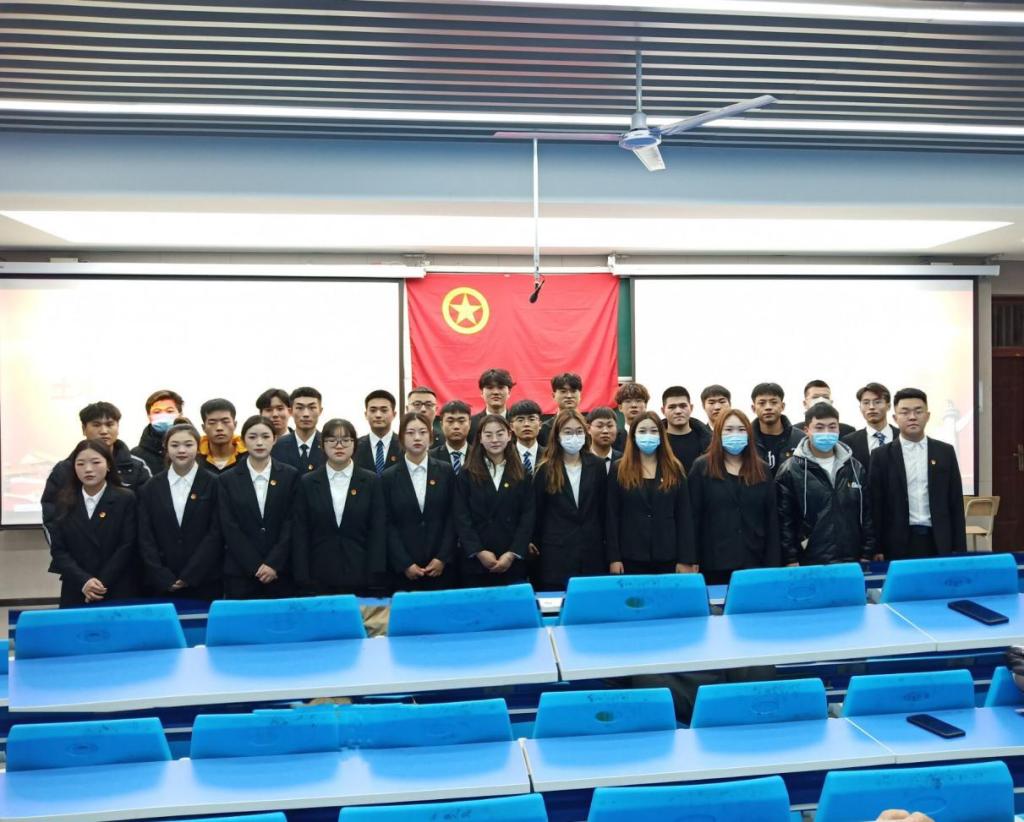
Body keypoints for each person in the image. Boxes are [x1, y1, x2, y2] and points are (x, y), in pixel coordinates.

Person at [292, 417, 387, 595]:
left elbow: (377, 529)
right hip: (318, 573)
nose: (339, 446)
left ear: (354, 444)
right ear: (322, 445)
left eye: (345, 440)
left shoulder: (371, 481)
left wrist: (376, 573)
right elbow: (301, 531)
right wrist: (302, 575)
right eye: (332, 440)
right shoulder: (308, 482)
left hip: (361, 572)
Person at [869, 388, 966, 560]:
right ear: (895, 418)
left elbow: (955, 503)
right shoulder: (881, 456)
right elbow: (876, 505)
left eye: (918, 411)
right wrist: (876, 548)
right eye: (905, 412)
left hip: (938, 540)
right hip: (896, 542)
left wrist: (959, 548)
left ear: (927, 416)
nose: (912, 417)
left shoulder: (945, 452)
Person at [775, 402, 875, 566]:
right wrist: (790, 559)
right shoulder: (790, 470)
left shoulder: (854, 467)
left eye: (832, 427)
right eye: (819, 427)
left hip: (851, 558)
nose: (826, 433)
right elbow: (784, 520)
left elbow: (867, 514)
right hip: (809, 559)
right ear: (807, 430)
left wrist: (867, 552)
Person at [688, 410, 781, 585]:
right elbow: (693, 517)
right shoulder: (702, 467)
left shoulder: (761, 469)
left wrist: (774, 562)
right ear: (718, 434)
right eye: (729, 429)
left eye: (741, 429)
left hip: (755, 560)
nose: (735, 435)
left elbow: (771, 518)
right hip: (714, 562)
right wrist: (690, 558)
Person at [46, 439, 140, 607]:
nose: (88, 469)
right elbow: (59, 551)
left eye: (96, 462)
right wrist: (85, 581)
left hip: (117, 586)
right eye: (80, 464)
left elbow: (127, 545)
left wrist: (101, 583)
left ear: (108, 465)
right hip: (77, 587)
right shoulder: (63, 501)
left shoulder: (125, 498)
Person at [137, 421, 223, 601]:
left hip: (205, 579)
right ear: (166, 448)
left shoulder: (214, 483)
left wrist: (191, 574)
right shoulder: (150, 487)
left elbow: (216, 532)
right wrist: (160, 574)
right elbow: (145, 536)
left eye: (188, 445)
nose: (181, 450)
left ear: (198, 447)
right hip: (162, 581)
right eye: (175, 445)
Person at [218, 415, 299, 598]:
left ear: (275, 439)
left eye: (265, 436)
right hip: (241, 573)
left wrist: (273, 563)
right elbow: (229, 526)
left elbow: (292, 522)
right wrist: (255, 565)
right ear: (243, 441)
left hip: (281, 572)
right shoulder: (227, 479)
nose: (259, 442)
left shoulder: (290, 475)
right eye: (252, 437)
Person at [606, 411, 696, 575]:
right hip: (630, 556)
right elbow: (612, 516)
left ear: (661, 436)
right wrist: (614, 558)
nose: (648, 435)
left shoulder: (674, 468)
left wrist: (686, 558)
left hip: (668, 556)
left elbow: (684, 516)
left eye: (654, 431)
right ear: (633, 436)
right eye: (642, 431)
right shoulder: (619, 469)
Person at [41, 401, 151, 532]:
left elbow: (147, 512)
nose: (104, 431)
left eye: (110, 424)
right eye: (96, 425)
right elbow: (51, 516)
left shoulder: (137, 467)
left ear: (118, 427)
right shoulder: (64, 469)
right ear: (84, 429)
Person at [453, 414, 534, 587]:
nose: (495, 440)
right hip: (476, 562)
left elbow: (528, 516)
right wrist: (479, 551)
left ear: (509, 435)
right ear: (480, 438)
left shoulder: (522, 474)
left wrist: (512, 553)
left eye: (500, 434)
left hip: (512, 560)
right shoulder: (467, 473)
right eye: (488, 435)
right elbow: (461, 516)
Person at [382, 412, 457, 591]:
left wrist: (442, 558)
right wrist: (404, 563)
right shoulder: (388, 477)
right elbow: (387, 523)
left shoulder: (446, 471)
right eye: (410, 432)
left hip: (441, 567)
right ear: (401, 438)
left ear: (430, 437)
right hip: (403, 570)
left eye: (423, 432)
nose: (417, 437)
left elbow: (453, 517)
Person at [532, 410, 606, 589]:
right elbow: (537, 511)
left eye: (579, 431)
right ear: (557, 436)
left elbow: (604, 509)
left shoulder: (597, 465)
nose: (574, 437)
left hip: (591, 552)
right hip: (556, 553)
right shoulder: (545, 468)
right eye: (568, 432)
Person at [750, 382, 804, 476]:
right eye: (762, 403)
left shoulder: (801, 439)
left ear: (782, 406)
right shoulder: (745, 439)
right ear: (753, 408)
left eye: (774, 402)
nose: (768, 407)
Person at [842, 382, 899, 469]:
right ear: (860, 407)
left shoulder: (903, 437)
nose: (871, 407)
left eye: (877, 402)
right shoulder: (848, 442)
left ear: (888, 406)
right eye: (866, 403)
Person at [271, 386, 324, 474]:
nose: (306, 414)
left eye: (312, 408)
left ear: (320, 411)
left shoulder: (329, 445)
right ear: (290, 411)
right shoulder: (276, 446)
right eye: (299, 408)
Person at [132, 389, 184, 476]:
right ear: (149, 416)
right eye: (157, 412)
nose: (163, 416)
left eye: (169, 411)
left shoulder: (195, 450)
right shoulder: (136, 456)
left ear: (180, 414)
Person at [661, 385, 711, 474]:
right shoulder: (655, 442)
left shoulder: (709, 441)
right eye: (672, 407)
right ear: (663, 410)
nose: (678, 411)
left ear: (691, 408)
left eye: (683, 406)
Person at [354, 389, 400, 475]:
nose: (378, 415)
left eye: (384, 410)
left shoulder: (405, 446)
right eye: (373, 410)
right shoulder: (354, 447)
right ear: (366, 414)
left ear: (394, 414)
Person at [198, 398, 246, 474]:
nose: (219, 428)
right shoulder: (194, 457)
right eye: (212, 423)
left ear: (235, 425)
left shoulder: (249, 455)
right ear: (203, 428)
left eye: (225, 421)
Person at [469, 368, 515, 442]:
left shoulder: (517, 422)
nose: (495, 392)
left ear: (509, 392)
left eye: (500, 387)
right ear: (481, 392)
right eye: (490, 388)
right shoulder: (471, 424)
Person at [537, 372, 583, 446]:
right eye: (563, 392)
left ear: (580, 394)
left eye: (573, 391)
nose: (569, 396)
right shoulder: (544, 429)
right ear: (553, 395)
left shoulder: (589, 426)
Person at [430, 399, 471, 475]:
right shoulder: (430, 457)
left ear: (469, 424)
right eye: (450, 421)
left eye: (461, 421)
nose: (456, 426)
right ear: (441, 425)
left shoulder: (480, 456)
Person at [612, 382, 650, 451]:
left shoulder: (656, 436)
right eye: (628, 401)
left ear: (645, 405)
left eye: (638, 401)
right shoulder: (613, 439)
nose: (634, 405)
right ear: (620, 407)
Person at [510, 399, 543, 476]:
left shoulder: (550, 456)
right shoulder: (505, 457)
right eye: (520, 420)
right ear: (511, 426)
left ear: (540, 425)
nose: (526, 424)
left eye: (531, 419)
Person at [587, 406, 622, 473]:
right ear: (588, 429)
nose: (605, 431)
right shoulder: (581, 459)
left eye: (610, 426)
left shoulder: (623, 460)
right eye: (599, 426)